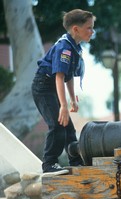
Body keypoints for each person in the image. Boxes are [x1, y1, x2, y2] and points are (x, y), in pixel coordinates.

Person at [32, 9, 95, 176]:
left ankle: (75, 161)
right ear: (76, 29)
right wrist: (63, 106)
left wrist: (72, 100)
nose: (92, 31)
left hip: (52, 88)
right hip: (43, 87)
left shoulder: (74, 47)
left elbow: (68, 76)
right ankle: (49, 163)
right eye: (89, 27)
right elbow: (59, 77)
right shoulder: (64, 48)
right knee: (58, 124)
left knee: (69, 129)